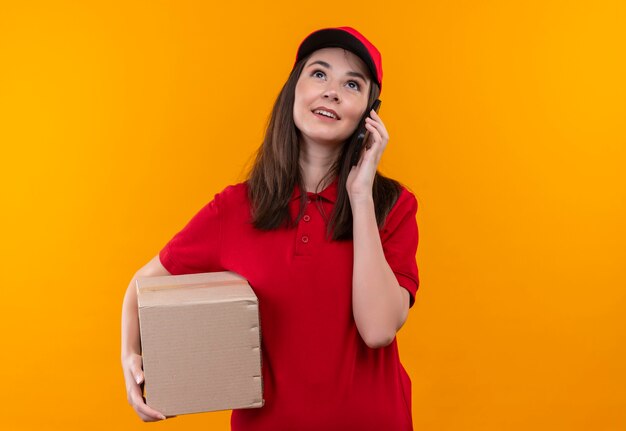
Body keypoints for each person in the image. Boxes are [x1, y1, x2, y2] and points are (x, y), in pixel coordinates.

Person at [121, 26, 419, 431]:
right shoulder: (236, 207)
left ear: (370, 113)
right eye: (318, 74)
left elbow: (378, 330)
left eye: (352, 83)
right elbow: (142, 287)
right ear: (293, 89)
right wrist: (130, 355)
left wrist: (361, 194)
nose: (332, 91)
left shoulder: (392, 207)